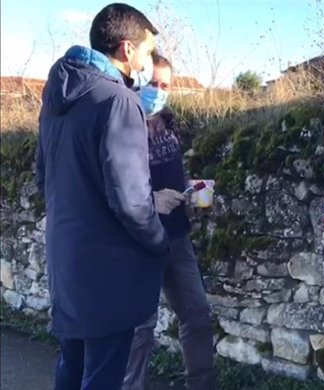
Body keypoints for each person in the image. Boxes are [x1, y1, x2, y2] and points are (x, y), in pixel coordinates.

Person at [35, 3, 171, 389]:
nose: (146, 62)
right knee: (102, 377)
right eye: (146, 51)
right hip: (108, 274)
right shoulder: (118, 99)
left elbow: (42, 174)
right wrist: (159, 241)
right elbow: (130, 200)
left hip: (67, 264)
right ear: (127, 50)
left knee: (71, 368)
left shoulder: (58, 96)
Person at [121, 53, 217, 390]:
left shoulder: (169, 120)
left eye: (166, 86)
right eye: (154, 84)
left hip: (177, 235)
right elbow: (112, 186)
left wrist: (189, 188)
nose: (159, 91)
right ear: (138, 82)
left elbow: (169, 171)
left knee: (197, 315)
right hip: (141, 241)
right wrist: (152, 200)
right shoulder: (121, 122)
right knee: (139, 330)